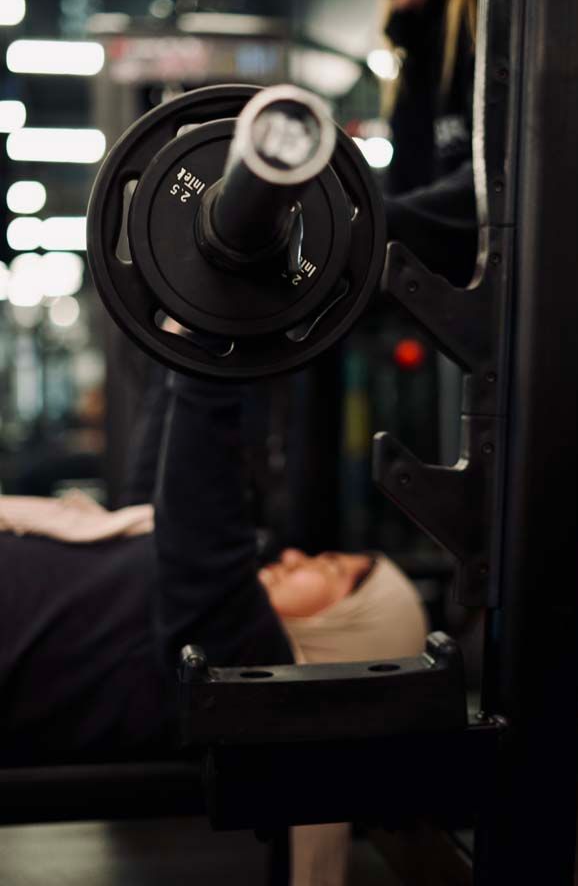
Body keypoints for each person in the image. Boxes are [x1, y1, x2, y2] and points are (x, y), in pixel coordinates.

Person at [315, 0, 578, 884]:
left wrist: (328, 216)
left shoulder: (574, 2)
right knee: (514, 671)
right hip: (544, 381)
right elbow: (430, 219)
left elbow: (492, 198)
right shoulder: (436, 38)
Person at [0, 370, 428, 886]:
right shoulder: (222, 626)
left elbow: (199, 495)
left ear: (350, 632)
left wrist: (211, 361)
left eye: (329, 568)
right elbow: (164, 487)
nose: (296, 557)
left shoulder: (245, 663)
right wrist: (175, 352)